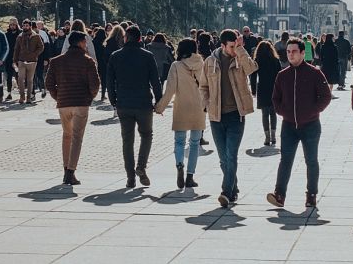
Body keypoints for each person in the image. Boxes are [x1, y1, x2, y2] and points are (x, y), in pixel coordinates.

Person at [266, 39, 331, 209]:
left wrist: (313, 111)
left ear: (303, 53)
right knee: (285, 160)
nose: (291, 54)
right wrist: (282, 111)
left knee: (311, 160)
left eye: (294, 51)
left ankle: (311, 195)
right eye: (288, 51)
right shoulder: (283, 75)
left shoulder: (315, 73)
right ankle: (279, 194)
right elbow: (275, 98)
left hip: (310, 125)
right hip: (288, 125)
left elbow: (326, 96)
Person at [199, 29, 258, 207]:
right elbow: (203, 86)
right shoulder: (210, 62)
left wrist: (240, 49)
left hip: (236, 115)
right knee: (223, 158)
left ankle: (225, 191)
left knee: (231, 155)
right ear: (223, 45)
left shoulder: (240, 59)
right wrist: (207, 105)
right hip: (216, 116)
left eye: (236, 45)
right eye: (231, 46)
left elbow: (252, 68)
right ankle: (234, 188)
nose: (234, 49)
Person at [106, 25, 162, 188]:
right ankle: (141, 167)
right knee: (146, 135)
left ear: (125, 38)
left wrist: (113, 99)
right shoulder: (147, 56)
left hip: (124, 103)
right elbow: (155, 81)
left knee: (127, 140)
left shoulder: (116, 56)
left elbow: (109, 81)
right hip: (143, 103)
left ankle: (130, 177)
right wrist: (159, 101)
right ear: (140, 38)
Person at [45, 31, 99, 185]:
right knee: (77, 137)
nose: (86, 44)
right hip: (81, 103)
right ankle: (71, 172)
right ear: (80, 43)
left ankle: (65, 169)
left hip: (64, 104)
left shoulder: (56, 61)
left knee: (66, 136)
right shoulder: (88, 61)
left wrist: (58, 96)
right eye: (85, 42)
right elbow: (95, 85)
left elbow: (48, 83)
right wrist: (89, 97)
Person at [155, 38, 206, 189]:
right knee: (195, 143)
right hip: (198, 108)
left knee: (179, 142)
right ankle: (190, 176)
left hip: (181, 107)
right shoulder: (202, 64)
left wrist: (159, 107)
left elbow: (170, 90)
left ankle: (179, 165)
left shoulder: (176, 66)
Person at [249, 40, 282, 146]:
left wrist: (253, 90)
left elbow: (253, 76)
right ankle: (273, 135)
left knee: (264, 114)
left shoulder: (257, 60)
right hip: (274, 88)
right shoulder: (275, 60)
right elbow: (280, 75)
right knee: (273, 113)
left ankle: (267, 137)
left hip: (262, 88)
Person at [13, 20, 43, 104]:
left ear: (30, 26)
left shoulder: (36, 36)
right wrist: (14, 60)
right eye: (24, 25)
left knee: (30, 80)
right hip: (21, 60)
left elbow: (41, 47)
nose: (25, 27)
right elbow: (16, 49)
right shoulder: (20, 36)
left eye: (27, 25)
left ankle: (29, 97)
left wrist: (35, 54)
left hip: (32, 61)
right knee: (20, 78)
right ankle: (22, 96)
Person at [101, 26, 123, 103]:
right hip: (121, 65)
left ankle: (114, 101)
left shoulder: (109, 41)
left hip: (111, 64)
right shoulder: (123, 41)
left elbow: (105, 54)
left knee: (111, 83)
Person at [3, 18, 21, 102]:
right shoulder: (6, 34)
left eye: (14, 24)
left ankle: (21, 92)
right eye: (11, 25)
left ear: (16, 25)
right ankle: (9, 93)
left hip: (18, 58)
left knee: (19, 76)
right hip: (9, 58)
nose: (12, 26)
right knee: (9, 76)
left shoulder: (20, 34)